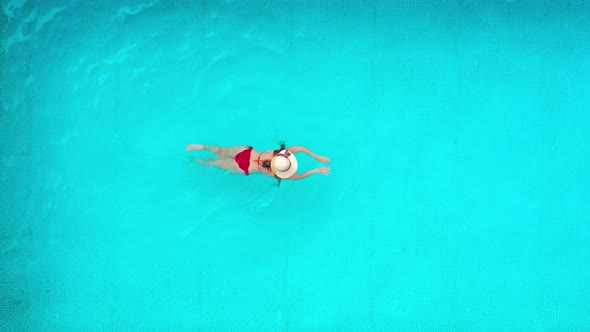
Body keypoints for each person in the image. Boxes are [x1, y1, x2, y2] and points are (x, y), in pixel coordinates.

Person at [185, 142, 331, 186]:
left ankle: (203, 147)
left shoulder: (276, 152)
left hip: (246, 152)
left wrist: (317, 157)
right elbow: (299, 176)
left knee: (221, 151)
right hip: (244, 167)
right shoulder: (276, 173)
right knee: (213, 163)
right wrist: (316, 170)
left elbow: (299, 148)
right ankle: (193, 161)